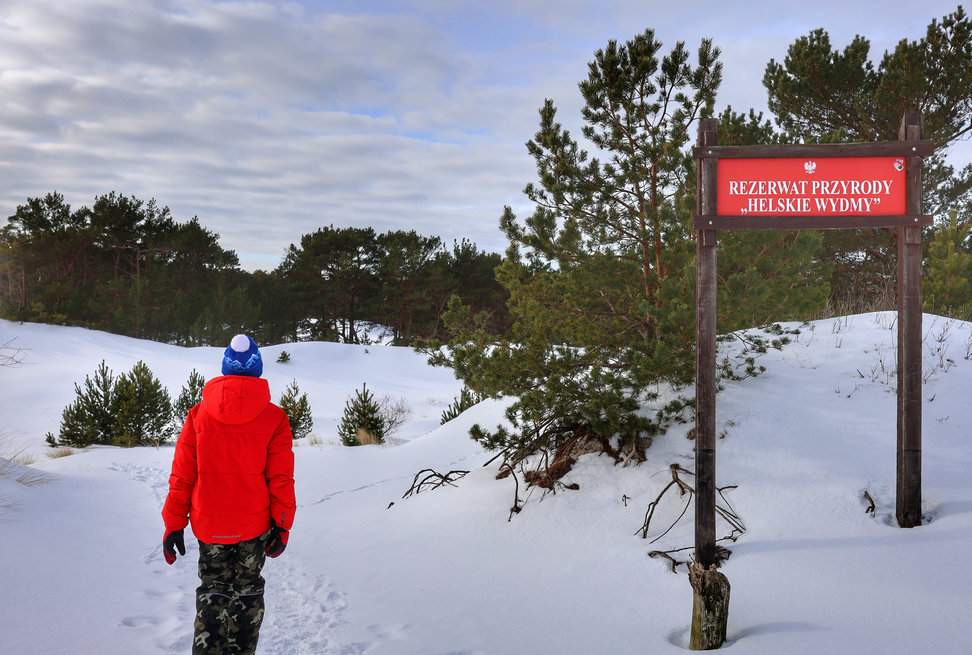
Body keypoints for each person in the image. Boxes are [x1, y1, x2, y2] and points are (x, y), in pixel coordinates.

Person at [161, 334, 296, 655]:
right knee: (247, 595)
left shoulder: (198, 415)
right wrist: (282, 524)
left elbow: (182, 476)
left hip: (210, 526)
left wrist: (174, 524)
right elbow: (281, 479)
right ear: (257, 368)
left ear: (225, 368)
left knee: (214, 593)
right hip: (254, 528)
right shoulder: (275, 419)